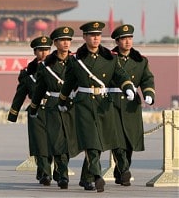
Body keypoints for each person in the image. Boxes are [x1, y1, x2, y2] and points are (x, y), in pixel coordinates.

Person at [57, 21, 135, 193]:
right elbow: (69, 82)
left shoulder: (110, 57)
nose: (95, 38)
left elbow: (120, 74)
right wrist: (62, 101)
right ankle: (98, 175)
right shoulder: (76, 60)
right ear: (84, 37)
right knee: (92, 142)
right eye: (92, 35)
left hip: (104, 104)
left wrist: (128, 87)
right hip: (84, 103)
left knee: (105, 140)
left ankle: (87, 178)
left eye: (98, 35)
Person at [30, 26, 92, 190]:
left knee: (74, 142)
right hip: (53, 106)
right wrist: (34, 107)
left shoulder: (78, 61)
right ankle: (63, 175)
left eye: (68, 40)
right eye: (62, 40)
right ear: (55, 43)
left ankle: (84, 175)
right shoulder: (46, 65)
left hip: (74, 106)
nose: (66, 43)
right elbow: (40, 88)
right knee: (58, 142)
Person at [109, 24, 155, 186]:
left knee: (129, 141)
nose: (128, 42)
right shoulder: (110, 58)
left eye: (130, 38)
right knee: (117, 139)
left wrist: (148, 93)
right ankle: (124, 169)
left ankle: (120, 171)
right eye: (124, 39)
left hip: (131, 104)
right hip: (112, 101)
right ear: (117, 41)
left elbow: (147, 79)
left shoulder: (140, 60)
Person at [7, 36, 54, 186]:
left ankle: (45, 170)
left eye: (47, 50)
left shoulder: (59, 67)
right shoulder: (27, 73)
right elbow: (20, 94)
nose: (44, 53)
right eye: (41, 50)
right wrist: (13, 113)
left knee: (54, 143)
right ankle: (45, 173)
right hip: (36, 110)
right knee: (40, 144)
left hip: (54, 109)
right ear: (35, 52)